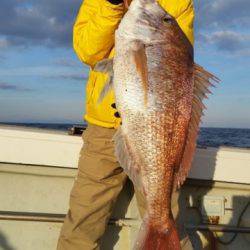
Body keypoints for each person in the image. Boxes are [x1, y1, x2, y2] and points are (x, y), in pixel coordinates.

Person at [57, 0, 194, 249]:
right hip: (102, 129)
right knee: (84, 216)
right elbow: (88, 52)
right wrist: (112, 6)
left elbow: (180, 59)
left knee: (167, 213)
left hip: (158, 134)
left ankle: (163, 231)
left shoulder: (177, 3)